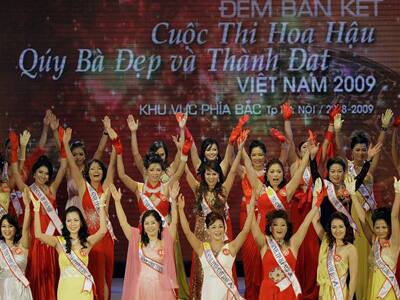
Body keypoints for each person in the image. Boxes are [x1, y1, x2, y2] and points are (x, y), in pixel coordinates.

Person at [335, 109, 392, 300]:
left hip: (371, 218)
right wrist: (336, 131)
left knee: (373, 257)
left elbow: (379, 146)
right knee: (358, 259)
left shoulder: (370, 168)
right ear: (352, 151)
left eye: (364, 150)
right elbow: (338, 146)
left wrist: (384, 128)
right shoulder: (347, 167)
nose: (361, 153)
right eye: (357, 150)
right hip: (355, 219)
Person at [185, 131, 247, 299]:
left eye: (214, 174)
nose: (211, 177)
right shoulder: (198, 189)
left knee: (223, 266)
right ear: (203, 175)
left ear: (219, 175)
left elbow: (233, 171)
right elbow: (186, 172)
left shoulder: (223, 190)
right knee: (202, 270)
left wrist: (239, 149)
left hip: (220, 234)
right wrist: (182, 153)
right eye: (208, 174)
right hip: (202, 234)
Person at [11, 130, 67, 300]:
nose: (43, 176)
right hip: (35, 240)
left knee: (52, 276)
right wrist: (18, 148)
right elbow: (14, 170)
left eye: (46, 173)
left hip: (52, 240)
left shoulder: (52, 189)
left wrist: (63, 142)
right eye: (40, 172)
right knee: (36, 277)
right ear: (34, 173)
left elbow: (64, 166)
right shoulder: (28, 191)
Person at [63, 127, 116, 300]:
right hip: (88, 237)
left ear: (102, 172)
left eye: (99, 168)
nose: (95, 171)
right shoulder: (82, 186)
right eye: (92, 169)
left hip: (104, 237)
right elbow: (71, 163)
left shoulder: (107, 186)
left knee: (104, 278)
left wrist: (116, 144)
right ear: (88, 172)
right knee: (90, 275)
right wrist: (64, 142)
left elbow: (113, 164)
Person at [251, 178, 324, 299]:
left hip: (288, 293)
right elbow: (252, 225)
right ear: (270, 228)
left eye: (283, 225)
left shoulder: (293, 244)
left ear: (287, 228)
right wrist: (252, 201)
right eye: (275, 225)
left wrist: (317, 203)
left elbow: (306, 223)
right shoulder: (264, 243)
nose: (279, 228)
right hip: (267, 293)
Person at [31, 185, 108, 300]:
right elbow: (38, 234)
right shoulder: (59, 241)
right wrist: (36, 210)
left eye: (76, 220)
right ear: (65, 223)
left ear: (81, 222)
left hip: (83, 291)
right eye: (69, 220)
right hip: (65, 291)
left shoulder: (87, 242)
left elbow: (102, 231)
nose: (72, 223)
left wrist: (101, 205)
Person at [179, 188, 255, 299]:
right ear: (208, 230)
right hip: (208, 295)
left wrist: (252, 208)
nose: (217, 230)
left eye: (220, 226)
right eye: (213, 227)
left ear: (225, 228)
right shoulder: (201, 248)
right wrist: (181, 209)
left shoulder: (232, 247)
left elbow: (245, 231)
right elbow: (187, 232)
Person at [112, 182, 179, 300]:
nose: (150, 226)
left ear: (159, 224)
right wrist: (117, 202)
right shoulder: (137, 239)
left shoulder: (167, 238)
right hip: (142, 287)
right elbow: (123, 223)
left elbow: (174, 222)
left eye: (153, 223)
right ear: (142, 226)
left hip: (162, 288)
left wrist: (173, 200)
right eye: (146, 223)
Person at [347, 175, 400, 299]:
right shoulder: (374, 240)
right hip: (373, 289)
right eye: (377, 227)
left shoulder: (395, 242)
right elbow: (363, 220)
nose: (380, 231)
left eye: (384, 227)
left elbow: (394, 217)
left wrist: (398, 193)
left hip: (387, 293)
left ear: (390, 228)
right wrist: (353, 195)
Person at [127, 114, 185, 184]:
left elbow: (180, 152)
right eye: (157, 154)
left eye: (162, 154)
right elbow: (136, 154)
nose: (159, 157)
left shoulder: (170, 170)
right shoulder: (146, 170)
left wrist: (182, 129)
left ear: (166, 155)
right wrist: (133, 132)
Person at [313, 210, 358, 300]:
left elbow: (353, 279)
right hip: (323, 294)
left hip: (340, 294)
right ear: (330, 228)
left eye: (341, 227)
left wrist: (350, 298)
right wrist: (316, 197)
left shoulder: (350, 249)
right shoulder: (326, 242)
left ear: (346, 228)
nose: (337, 230)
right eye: (334, 227)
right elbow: (315, 221)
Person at [0, 188, 33, 299]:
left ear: (15, 229)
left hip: (20, 290)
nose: (7, 230)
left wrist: (27, 207)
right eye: (4, 226)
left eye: (10, 226)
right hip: (3, 289)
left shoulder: (22, 245)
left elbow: (26, 228)